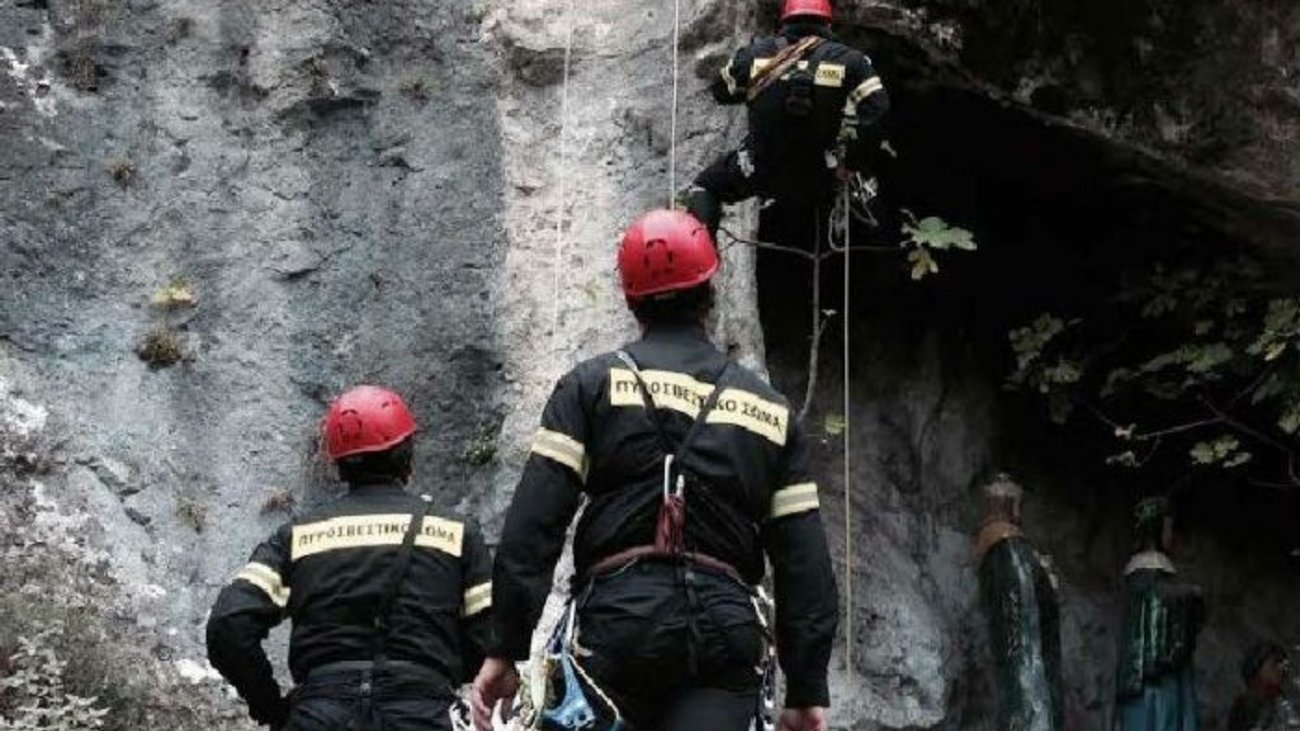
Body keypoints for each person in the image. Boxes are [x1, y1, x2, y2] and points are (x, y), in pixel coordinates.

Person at [471, 209, 838, 731]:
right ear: (710, 290)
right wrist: (805, 689)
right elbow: (805, 564)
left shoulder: (590, 386)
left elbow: (534, 525)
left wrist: (506, 649)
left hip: (616, 629)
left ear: (629, 296)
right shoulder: (770, 412)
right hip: (723, 638)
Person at [206, 385, 493, 730]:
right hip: (422, 712)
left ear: (337, 464)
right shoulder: (456, 533)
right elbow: (490, 634)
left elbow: (228, 625)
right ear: (408, 455)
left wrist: (272, 709)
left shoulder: (298, 538)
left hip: (321, 714)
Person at [685, 0, 890, 239]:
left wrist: (766, 94)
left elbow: (721, 92)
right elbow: (877, 113)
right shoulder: (851, 62)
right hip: (823, 173)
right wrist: (852, 163)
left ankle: (698, 263)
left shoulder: (753, 57)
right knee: (872, 201)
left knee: (706, 187)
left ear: (784, 20)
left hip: (760, 170)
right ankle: (884, 258)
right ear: (827, 21)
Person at [975, 474, 1064, 731]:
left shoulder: (1000, 553)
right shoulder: (1010, 552)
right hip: (1031, 689)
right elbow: (1024, 632)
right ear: (1014, 506)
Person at [1114, 496, 1206, 731]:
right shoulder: (1146, 581)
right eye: (1168, 528)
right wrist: (1190, 596)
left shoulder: (1143, 580)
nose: (1171, 536)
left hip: (1150, 681)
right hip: (1154, 681)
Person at [1228, 642, 1300, 730]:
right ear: (1258, 668)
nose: (1282, 669)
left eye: (1284, 665)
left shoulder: (1285, 706)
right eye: (1275, 663)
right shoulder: (1242, 707)